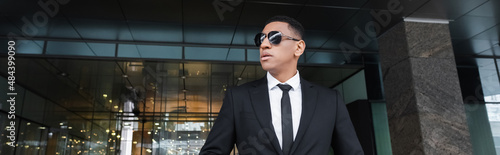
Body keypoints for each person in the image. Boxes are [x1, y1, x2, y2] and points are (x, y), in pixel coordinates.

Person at [200, 15, 364, 155]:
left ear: (299, 47)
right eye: (261, 39)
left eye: (274, 37)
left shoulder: (329, 100)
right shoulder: (238, 98)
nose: (264, 44)